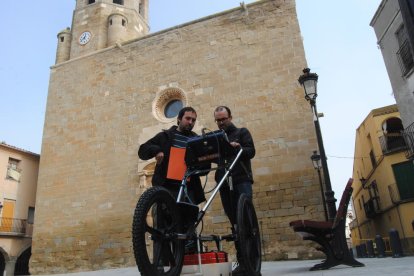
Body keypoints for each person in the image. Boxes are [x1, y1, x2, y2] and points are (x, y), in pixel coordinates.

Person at [138, 107, 206, 255]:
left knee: (188, 227)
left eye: (193, 120)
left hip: (188, 189)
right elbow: (143, 149)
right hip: (166, 188)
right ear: (179, 119)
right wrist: (157, 150)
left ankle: (189, 261)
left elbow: (205, 168)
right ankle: (162, 266)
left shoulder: (196, 139)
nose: (190, 122)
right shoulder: (166, 136)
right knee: (162, 229)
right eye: (187, 118)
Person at [213, 106, 256, 276]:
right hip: (224, 182)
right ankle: (242, 261)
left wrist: (238, 147)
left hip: (241, 179)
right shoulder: (216, 138)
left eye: (224, 119)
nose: (221, 122)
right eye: (218, 120)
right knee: (235, 222)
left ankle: (251, 261)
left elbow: (251, 151)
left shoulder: (242, 132)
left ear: (230, 117)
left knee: (246, 220)